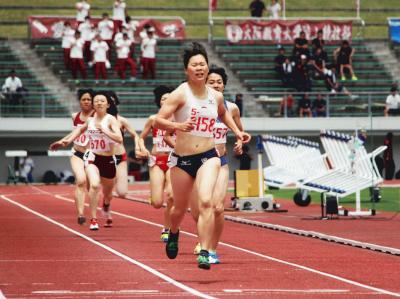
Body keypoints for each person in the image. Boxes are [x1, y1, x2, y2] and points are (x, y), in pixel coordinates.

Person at [154, 42, 250, 269]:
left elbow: (224, 114)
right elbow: (158, 120)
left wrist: (238, 132)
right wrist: (178, 126)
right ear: (187, 69)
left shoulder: (215, 96)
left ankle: (206, 250)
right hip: (182, 159)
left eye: (203, 64)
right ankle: (174, 231)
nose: (199, 68)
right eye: (194, 65)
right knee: (178, 208)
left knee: (207, 202)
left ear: (207, 67)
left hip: (209, 156)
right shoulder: (179, 94)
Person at [191, 66, 244, 264]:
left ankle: (212, 249)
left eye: (219, 82)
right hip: (198, 162)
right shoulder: (195, 106)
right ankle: (202, 239)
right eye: (211, 81)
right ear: (204, 83)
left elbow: (239, 130)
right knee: (200, 209)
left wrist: (239, 143)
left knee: (218, 208)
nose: (215, 85)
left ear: (224, 85)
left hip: (220, 161)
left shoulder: (232, 108)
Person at [50, 92, 122, 230]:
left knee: (108, 193)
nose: (99, 103)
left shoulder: (111, 120)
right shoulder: (90, 120)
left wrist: (104, 130)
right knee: (94, 185)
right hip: (93, 157)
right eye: (97, 101)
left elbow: (119, 139)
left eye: (102, 101)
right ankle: (93, 219)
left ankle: (106, 204)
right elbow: (79, 131)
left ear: (107, 105)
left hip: (108, 160)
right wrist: (66, 141)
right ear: (94, 105)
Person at [139, 85, 175, 243]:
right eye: (163, 99)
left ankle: (167, 228)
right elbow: (141, 138)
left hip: (173, 159)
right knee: (157, 203)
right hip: (156, 160)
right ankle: (153, 196)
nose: (166, 101)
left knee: (172, 195)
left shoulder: (179, 119)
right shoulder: (153, 119)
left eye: (169, 98)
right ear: (159, 102)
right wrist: (142, 148)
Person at [107, 91, 142, 200]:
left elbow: (135, 135)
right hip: (103, 157)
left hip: (119, 156)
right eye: (108, 101)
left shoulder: (122, 120)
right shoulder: (96, 120)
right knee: (102, 188)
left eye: (113, 100)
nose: (111, 103)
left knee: (122, 193)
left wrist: (137, 146)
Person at [66, 89, 94, 225]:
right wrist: (64, 141)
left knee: (91, 186)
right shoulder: (74, 116)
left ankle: (101, 208)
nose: (87, 102)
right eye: (84, 99)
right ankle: (81, 214)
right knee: (81, 181)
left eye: (89, 99)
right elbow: (75, 132)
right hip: (77, 153)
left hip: (93, 155)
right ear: (80, 101)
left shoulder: (97, 116)